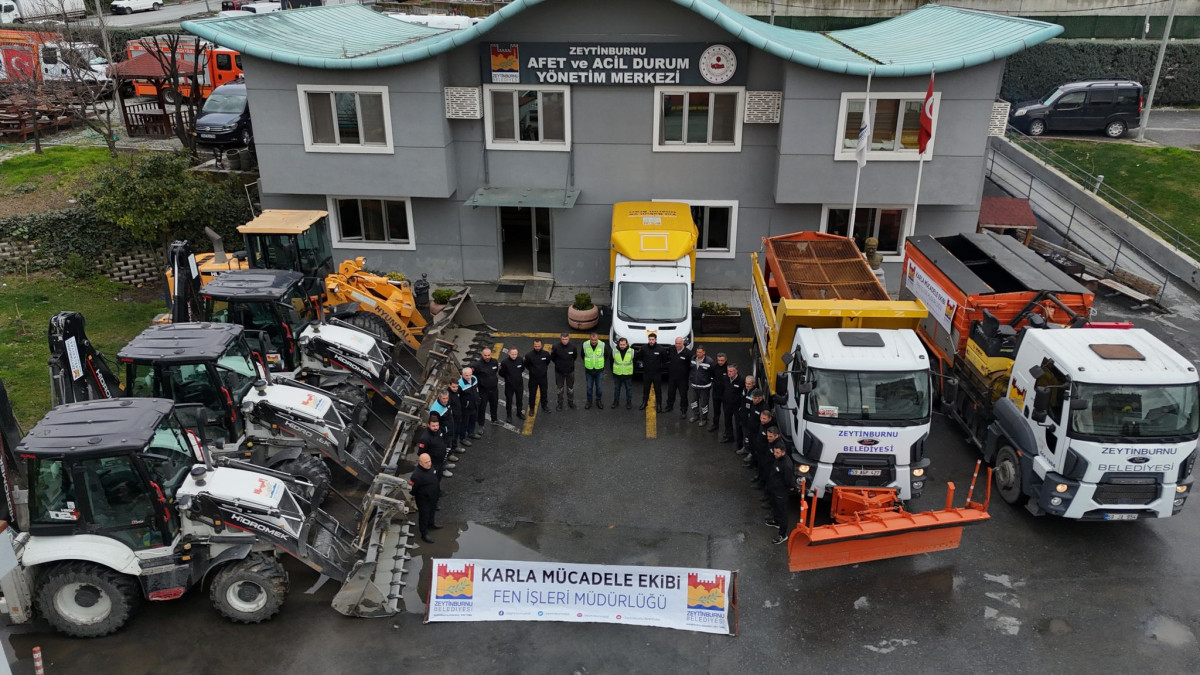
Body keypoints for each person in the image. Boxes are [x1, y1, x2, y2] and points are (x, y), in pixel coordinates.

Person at [763, 430, 795, 545]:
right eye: (774, 452)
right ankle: (776, 521)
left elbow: (790, 481)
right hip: (774, 488)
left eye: (777, 453)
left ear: (783, 452)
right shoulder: (778, 460)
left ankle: (782, 534)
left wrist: (789, 488)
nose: (774, 454)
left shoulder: (786, 465)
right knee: (775, 507)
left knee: (782, 512)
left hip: (781, 492)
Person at [409, 452, 441, 544]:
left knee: (432, 511)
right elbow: (413, 489)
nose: (429, 463)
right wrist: (422, 496)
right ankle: (424, 534)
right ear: (420, 463)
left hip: (433, 496)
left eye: (429, 461)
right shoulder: (416, 475)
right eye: (426, 462)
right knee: (424, 516)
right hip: (424, 500)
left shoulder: (431, 467)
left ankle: (431, 524)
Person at [429, 389, 464, 458]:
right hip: (444, 431)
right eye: (444, 398)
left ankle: (453, 450)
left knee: (451, 441)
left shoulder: (447, 402)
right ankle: (446, 460)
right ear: (439, 397)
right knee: (444, 446)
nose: (446, 400)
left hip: (450, 427)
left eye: (447, 398)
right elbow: (435, 424)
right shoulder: (435, 410)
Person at [638, 333, 668, 412]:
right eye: (650, 339)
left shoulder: (661, 349)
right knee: (646, 389)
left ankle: (659, 405)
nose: (651, 341)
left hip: (656, 373)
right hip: (647, 373)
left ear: (655, 340)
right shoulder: (643, 348)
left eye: (653, 340)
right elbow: (639, 357)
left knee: (658, 390)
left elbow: (665, 359)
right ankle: (644, 403)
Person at [687, 345, 716, 425]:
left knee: (704, 405)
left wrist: (709, 381)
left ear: (704, 352)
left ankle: (704, 419)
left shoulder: (710, 362)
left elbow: (713, 374)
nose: (698, 354)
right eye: (697, 352)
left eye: (700, 352)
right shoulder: (693, 359)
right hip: (693, 386)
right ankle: (696, 416)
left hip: (704, 388)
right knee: (693, 402)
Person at [471, 348, 500, 426]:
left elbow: (495, 371)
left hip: (494, 390)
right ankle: (481, 425)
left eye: (489, 355)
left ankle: (494, 420)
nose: (487, 357)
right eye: (485, 355)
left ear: (491, 354)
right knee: (482, 409)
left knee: (494, 405)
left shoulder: (494, 362)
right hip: (483, 391)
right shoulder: (476, 365)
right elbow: (472, 378)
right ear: (482, 355)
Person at [523, 339, 552, 414]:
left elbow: (548, 362)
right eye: (536, 346)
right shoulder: (529, 355)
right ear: (533, 346)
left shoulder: (546, 354)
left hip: (543, 378)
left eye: (539, 346)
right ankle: (531, 408)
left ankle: (544, 406)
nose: (537, 348)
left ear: (541, 345)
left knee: (544, 392)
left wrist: (543, 370)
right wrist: (532, 371)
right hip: (533, 379)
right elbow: (526, 364)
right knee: (532, 394)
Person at [551, 333, 578, 411]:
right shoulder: (555, 347)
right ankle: (560, 404)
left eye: (566, 339)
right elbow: (553, 358)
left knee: (570, 388)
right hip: (559, 372)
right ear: (560, 339)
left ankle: (571, 403)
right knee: (560, 389)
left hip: (570, 372)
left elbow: (574, 357)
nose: (564, 341)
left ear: (568, 339)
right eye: (563, 339)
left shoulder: (573, 347)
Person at [664, 337, 691, 416]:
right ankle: (669, 406)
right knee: (670, 393)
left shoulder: (688, 353)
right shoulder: (671, 349)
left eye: (679, 343)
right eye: (676, 343)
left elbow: (691, 365)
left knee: (683, 395)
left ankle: (683, 410)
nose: (677, 345)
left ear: (683, 343)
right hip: (672, 377)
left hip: (683, 379)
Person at [499, 346, 526, 423]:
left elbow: (522, 369)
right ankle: (509, 415)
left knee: (519, 400)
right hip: (509, 386)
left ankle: (519, 413)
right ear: (509, 353)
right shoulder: (504, 362)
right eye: (512, 354)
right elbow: (501, 373)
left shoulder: (520, 360)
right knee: (509, 401)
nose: (514, 356)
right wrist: (508, 378)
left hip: (519, 385)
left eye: (515, 354)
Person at [748, 408, 774, 487]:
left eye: (764, 418)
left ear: (769, 418)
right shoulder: (762, 424)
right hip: (759, 450)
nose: (762, 420)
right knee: (759, 466)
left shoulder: (771, 429)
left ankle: (761, 483)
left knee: (764, 468)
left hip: (765, 453)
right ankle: (758, 477)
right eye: (761, 418)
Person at [581, 332, 607, 410]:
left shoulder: (602, 345)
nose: (594, 341)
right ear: (590, 339)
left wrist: (599, 363)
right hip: (589, 371)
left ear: (597, 339)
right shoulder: (585, 344)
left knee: (599, 388)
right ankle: (589, 401)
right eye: (592, 340)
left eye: (595, 340)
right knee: (589, 387)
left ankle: (598, 401)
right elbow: (582, 355)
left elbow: (606, 355)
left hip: (599, 370)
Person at [718, 363, 742, 443]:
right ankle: (729, 436)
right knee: (727, 421)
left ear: (736, 371)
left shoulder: (741, 381)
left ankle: (739, 441)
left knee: (738, 423)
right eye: (728, 371)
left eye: (731, 371)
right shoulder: (725, 378)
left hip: (737, 406)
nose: (729, 373)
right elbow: (721, 389)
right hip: (727, 405)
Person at [735, 377, 760, 452]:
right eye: (746, 383)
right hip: (743, 416)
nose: (747, 385)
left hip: (750, 419)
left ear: (754, 384)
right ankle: (745, 447)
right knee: (744, 433)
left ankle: (749, 450)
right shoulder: (745, 390)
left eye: (749, 384)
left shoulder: (755, 393)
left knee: (749, 435)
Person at [458, 367, 482, 440]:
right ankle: (462, 438)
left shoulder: (474, 378)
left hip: (474, 405)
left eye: (470, 375)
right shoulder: (459, 384)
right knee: (464, 424)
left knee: (473, 420)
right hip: (465, 408)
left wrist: (478, 399)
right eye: (466, 375)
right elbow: (458, 398)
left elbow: (476, 389)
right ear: (462, 375)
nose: (469, 377)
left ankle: (471, 433)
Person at [610, 337, 634, 410]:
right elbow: (611, 362)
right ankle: (616, 402)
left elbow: (634, 362)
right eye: (621, 344)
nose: (622, 346)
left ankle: (629, 403)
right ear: (618, 344)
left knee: (628, 390)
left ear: (627, 344)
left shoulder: (632, 351)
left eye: (624, 344)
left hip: (627, 375)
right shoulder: (614, 351)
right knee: (617, 389)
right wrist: (614, 371)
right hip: (617, 374)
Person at [446, 379, 471, 447]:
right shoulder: (447, 395)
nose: (455, 388)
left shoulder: (456, 392)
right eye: (453, 387)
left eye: (456, 387)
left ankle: (455, 446)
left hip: (458, 416)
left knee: (457, 432)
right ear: (449, 385)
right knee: (452, 434)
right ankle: (452, 450)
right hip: (453, 418)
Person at [709, 353, 728, 433]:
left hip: (725, 394)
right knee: (716, 410)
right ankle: (715, 424)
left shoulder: (729, 368)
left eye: (722, 360)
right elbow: (711, 376)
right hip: (716, 393)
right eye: (719, 360)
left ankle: (727, 428)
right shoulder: (714, 366)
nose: (720, 362)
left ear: (726, 360)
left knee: (727, 412)